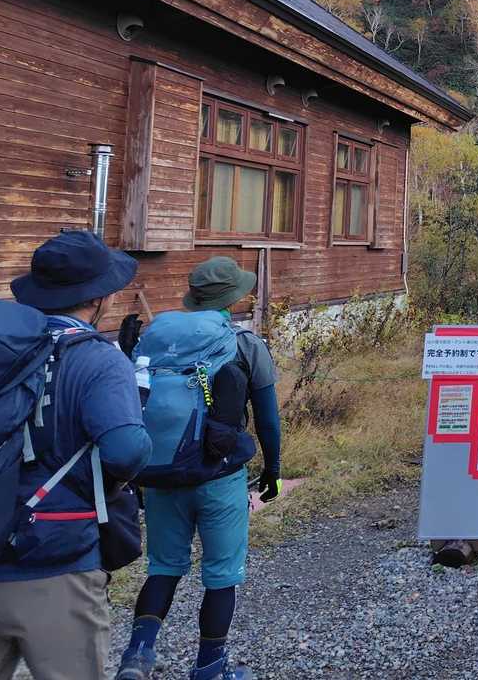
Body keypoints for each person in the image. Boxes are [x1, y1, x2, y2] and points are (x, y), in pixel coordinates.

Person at [117, 257, 282, 680]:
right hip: (219, 477)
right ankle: (209, 667)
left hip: (161, 473)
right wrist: (272, 469)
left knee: (163, 567)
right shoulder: (245, 344)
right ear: (235, 297)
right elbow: (267, 419)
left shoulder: (155, 340)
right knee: (222, 574)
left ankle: (137, 654)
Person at [0, 230, 152, 680]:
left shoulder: (4, 350)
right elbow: (126, 452)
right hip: (56, 556)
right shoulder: (100, 360)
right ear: (99, 298)